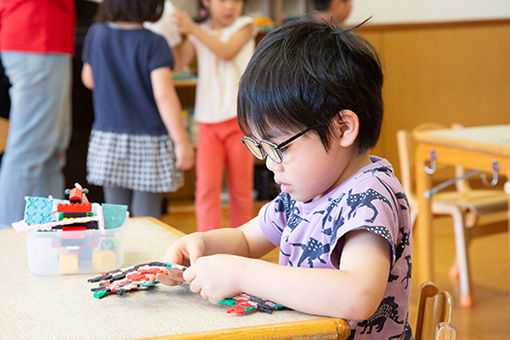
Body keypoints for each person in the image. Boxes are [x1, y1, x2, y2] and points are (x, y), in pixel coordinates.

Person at [158, 19, 413, 339]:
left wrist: (242, 273)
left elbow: (358, 295)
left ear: (343, 128)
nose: (269, 163)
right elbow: (246, 240)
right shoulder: (304, 194)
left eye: (280, 147)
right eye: (261, 147)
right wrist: (202, 244)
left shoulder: (370, 194)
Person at [81, 0, 194, 218]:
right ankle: (149, 254)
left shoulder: (96, 34)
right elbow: (164, 95)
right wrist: (182, 142)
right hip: (148, 142)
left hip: (108, 138)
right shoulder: (154, 42)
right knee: (147, 216)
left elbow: (89, 79)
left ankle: (116, 252)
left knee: (114, 216)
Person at [172, 0, 258, 231]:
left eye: (236, 0)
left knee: (240, 188)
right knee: (206, 189)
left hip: (240, 120)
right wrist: (168, 35)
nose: (229, 6)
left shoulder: (246, 25)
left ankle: (242, 245)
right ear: (206, 2)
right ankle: (207, 244)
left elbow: (226, 52)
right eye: (221, 0)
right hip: (207, 122)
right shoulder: (198, 32)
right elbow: (178, 64)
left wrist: (193, 29)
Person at [0, 0, 75, 228]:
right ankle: (7, 244)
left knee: (51, 152)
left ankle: (48, 232)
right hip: (37, 35)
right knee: (29, 152)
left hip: (44, 37)